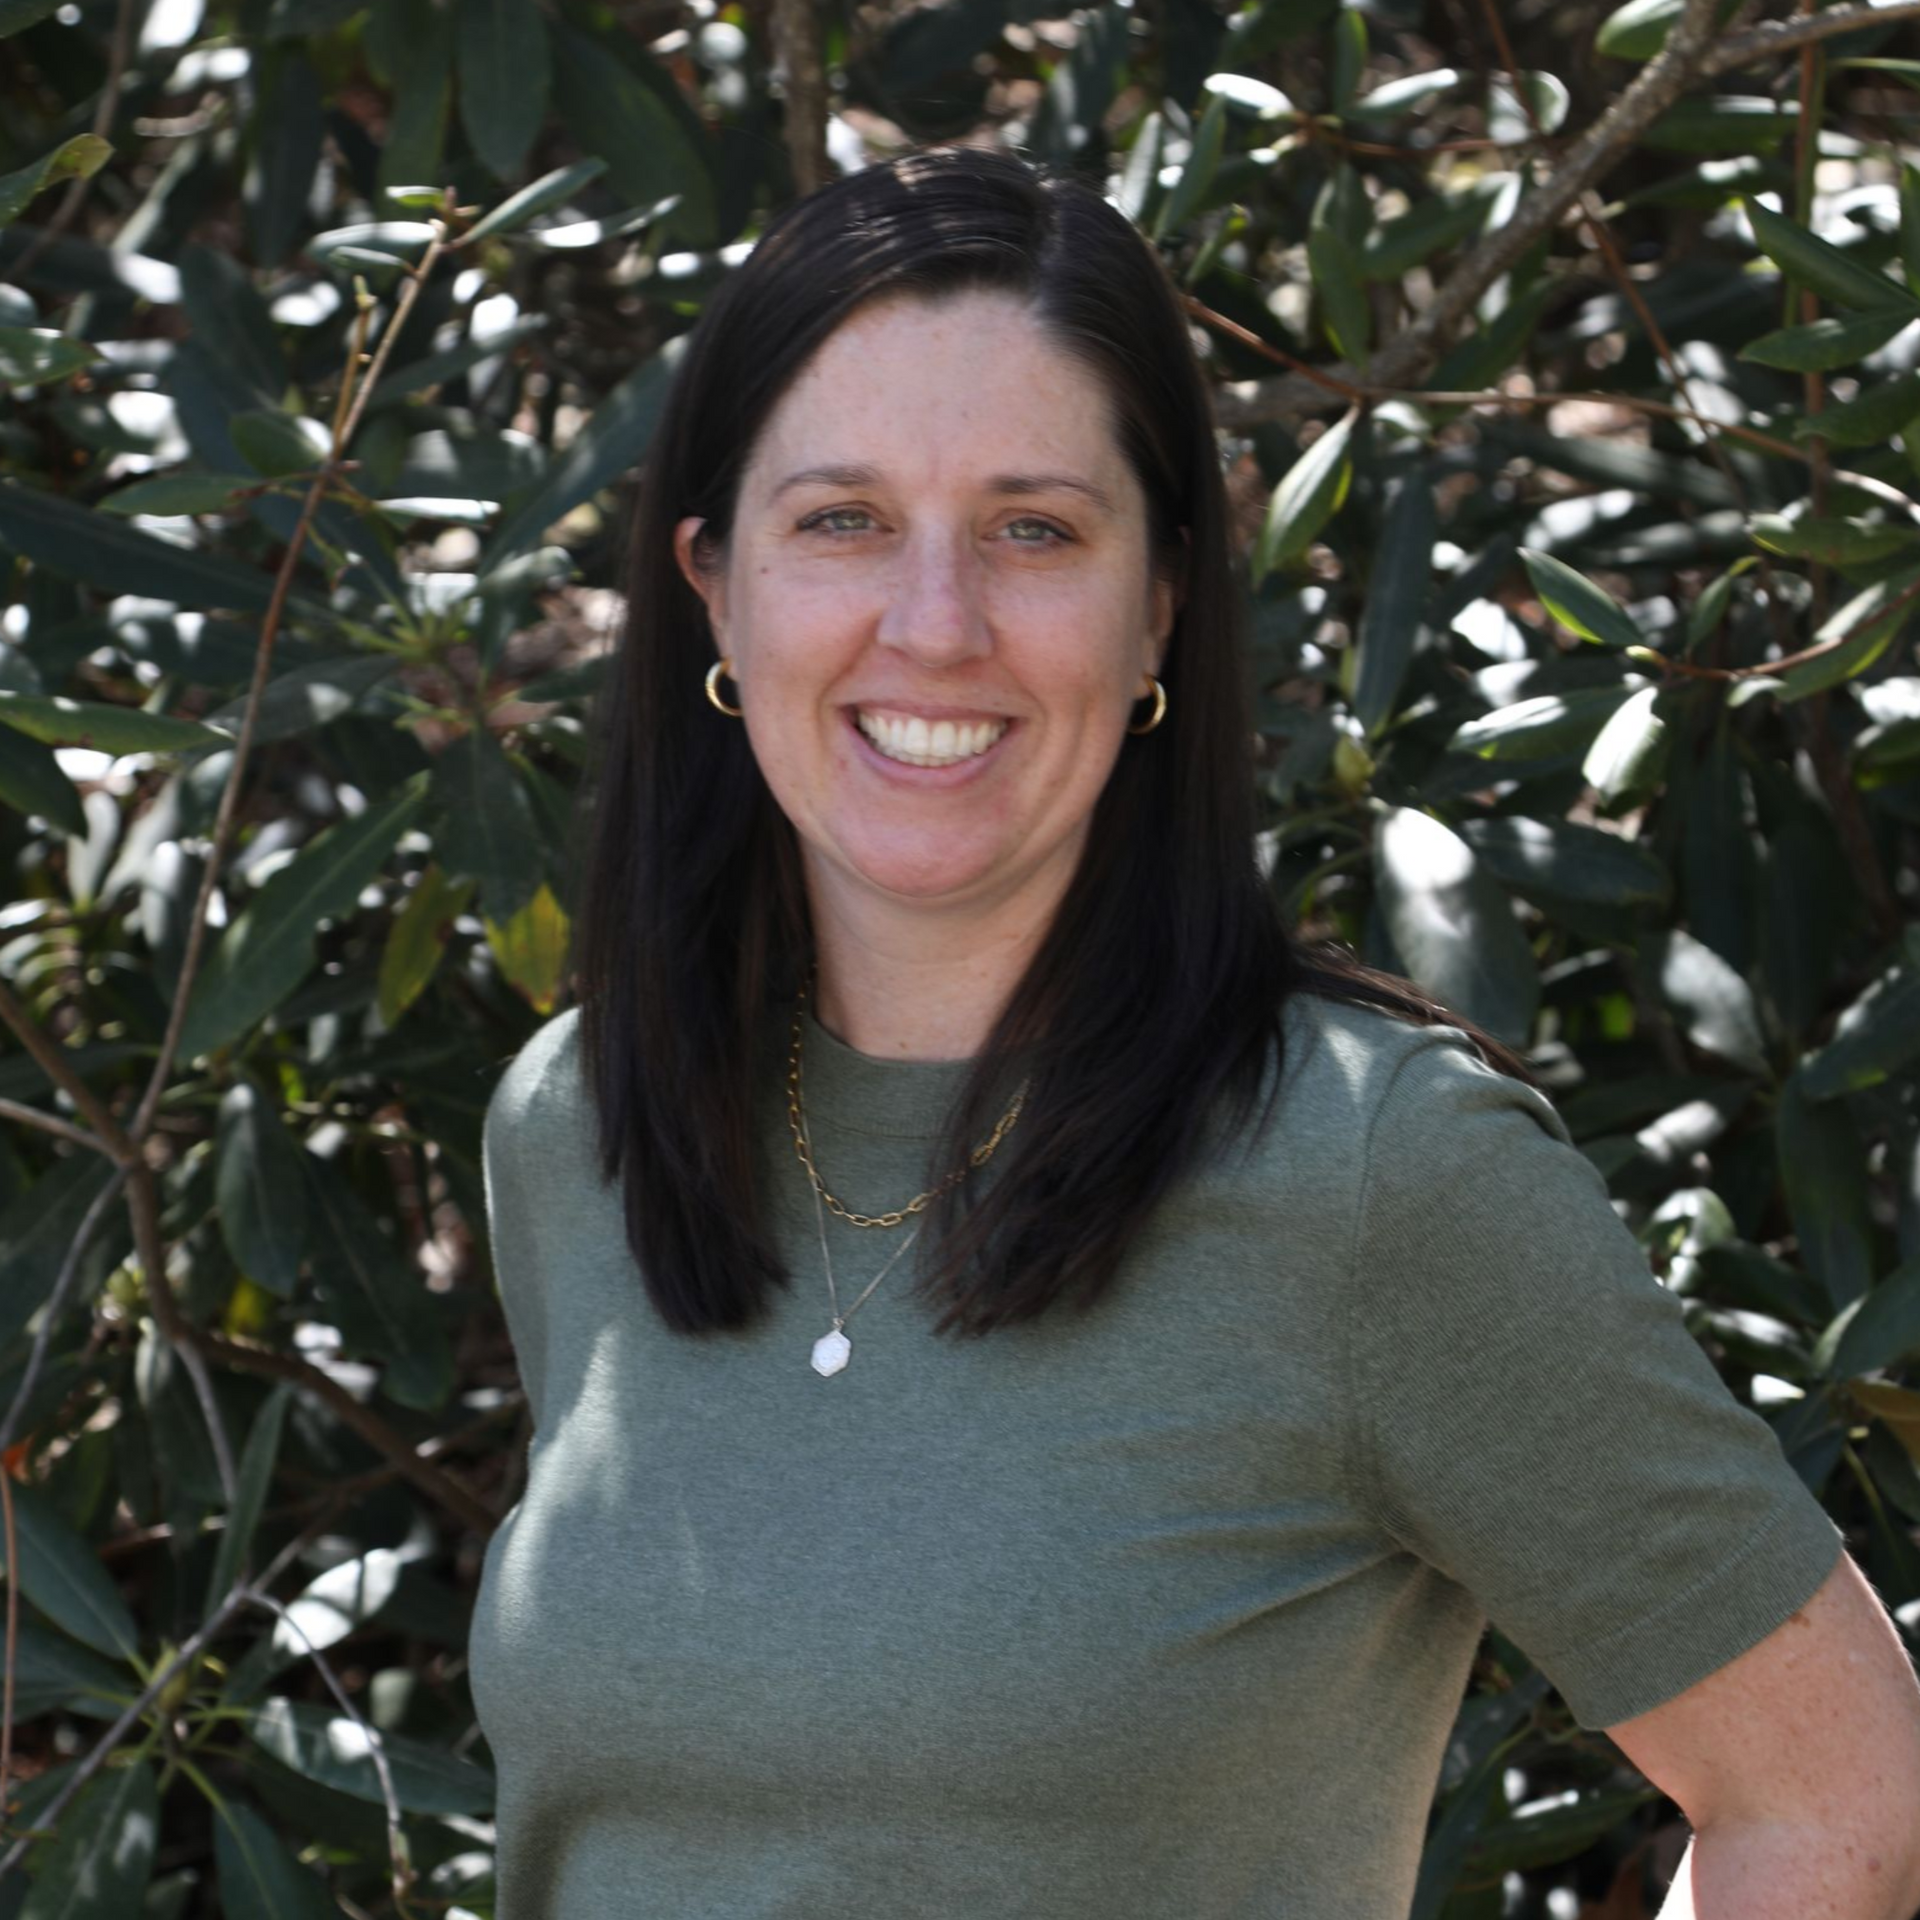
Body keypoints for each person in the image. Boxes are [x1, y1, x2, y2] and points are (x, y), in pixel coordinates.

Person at [468, 146, 1920, 1918]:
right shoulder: (580, 1128)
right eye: (840, 519)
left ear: (1159, 599)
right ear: (714, 585)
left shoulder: (1375, 1173)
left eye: (1035, 529)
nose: (934, 624)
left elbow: (1844, 1797)